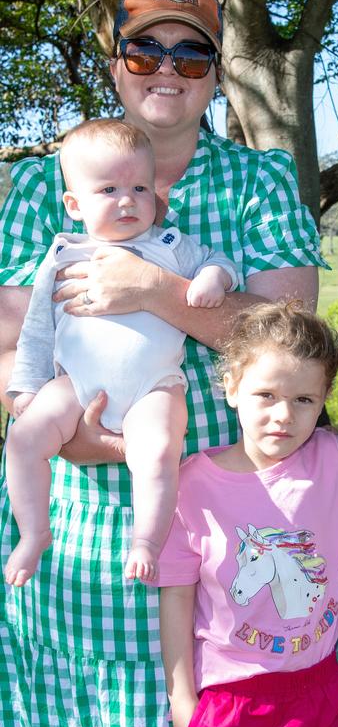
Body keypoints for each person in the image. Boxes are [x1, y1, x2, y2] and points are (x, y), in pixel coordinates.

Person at [0, 0, 325, 727]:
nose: (167, 68)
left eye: (191, 52)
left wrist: (152, 289)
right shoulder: (44, 186)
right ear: (115, 63)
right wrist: (57, 430)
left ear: (217, 73)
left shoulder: (261, 180)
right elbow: (10, 340)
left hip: (230, 525)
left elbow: (294, 346)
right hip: (73, 521)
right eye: (145, 48)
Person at [157, 301, 338, 727]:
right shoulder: (193, 485)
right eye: (266, 394)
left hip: (319, 689)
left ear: (324, 398)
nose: (284, 416)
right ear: (232, 388)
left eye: (304, 399)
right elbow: (175, 595)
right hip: (231, 703)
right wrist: (181, 699)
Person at [5, 118, 239, 586]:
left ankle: (146, 542)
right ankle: (33, 532)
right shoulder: (64, 254)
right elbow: (35, 329)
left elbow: (219, 262)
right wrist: (27, 389)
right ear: (74, 205)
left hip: (154, 386)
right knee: (23, 439)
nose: (127, 200)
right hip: (75, 384)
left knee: (156, 454)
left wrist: (214, 278)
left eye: (140, 188)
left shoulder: (169, 245)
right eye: (108, 189)